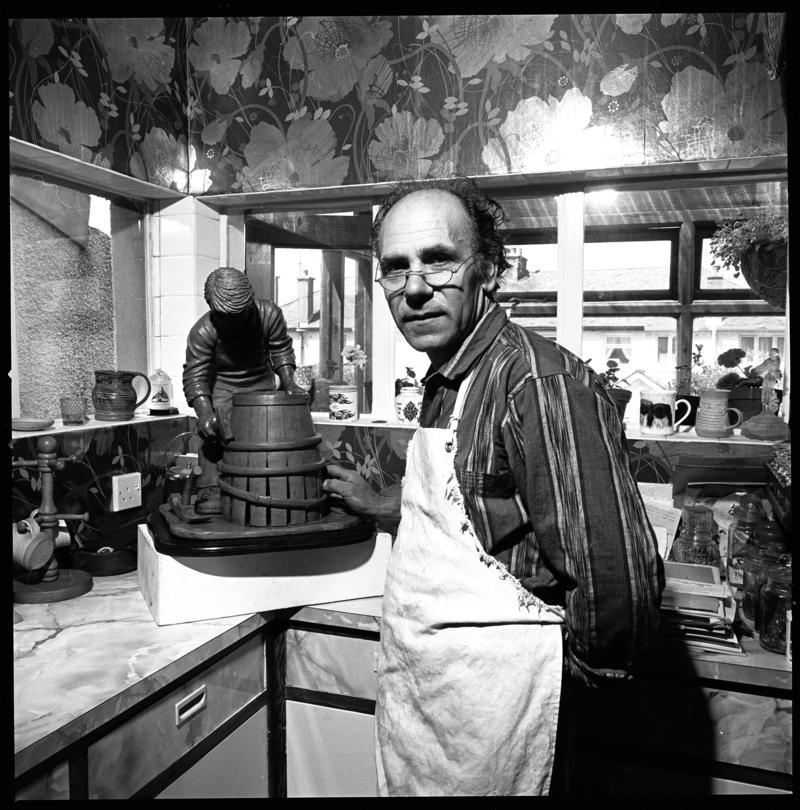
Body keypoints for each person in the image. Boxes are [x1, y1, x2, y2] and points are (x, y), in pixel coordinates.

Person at [323, 178, 665, 796]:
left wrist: (562, 689)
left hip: (502, 708)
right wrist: (386, 506)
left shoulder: (537, 380)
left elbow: (617, 586)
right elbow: (480, 515)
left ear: (487, 271)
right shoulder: (447, 378)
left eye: (438, 260)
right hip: (433, 701)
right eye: (395, 269)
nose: (416, 287)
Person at [182, 266, 307, 514]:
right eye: (225, 316)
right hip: (223, 390)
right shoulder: (203, 331)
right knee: (213, 436)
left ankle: (269, 484)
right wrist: (206, 414)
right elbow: (196, 376)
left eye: (239, 314)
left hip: (262, 385)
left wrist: (289, 382)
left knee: (269, 436)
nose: (233, 322)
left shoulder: (268, 314)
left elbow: (281, 349)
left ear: (250, 300)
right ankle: (211, 487)